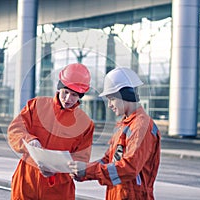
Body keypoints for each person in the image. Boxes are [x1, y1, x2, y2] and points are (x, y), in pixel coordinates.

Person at [68, 67, 161, 200]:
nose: (110, 105)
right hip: (119, 194)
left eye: (111, 99)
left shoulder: (141, 126)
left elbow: (129, 168)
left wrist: (88, 170)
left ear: (126, 95)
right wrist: (84, 171)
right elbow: (108, 160)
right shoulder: (125, 125)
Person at [7, 63, 95, 200]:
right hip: (26, 184)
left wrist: (58, 170)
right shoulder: (36, 106)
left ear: (80, 96)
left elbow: (81, 159)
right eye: (65, 92)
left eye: (74, 95)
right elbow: (15, 130)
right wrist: (29, 140)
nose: (68, 99)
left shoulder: (85, 124)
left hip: (58, 190)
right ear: (59, 88)